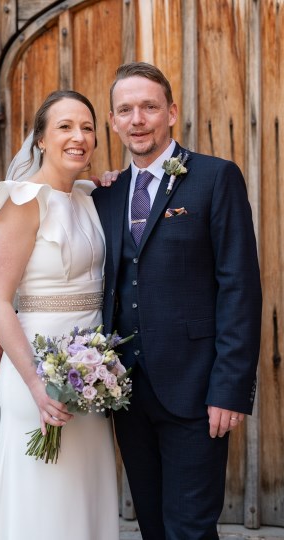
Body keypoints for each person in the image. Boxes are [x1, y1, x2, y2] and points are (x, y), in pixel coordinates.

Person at [0, 91, 119, 540]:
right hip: (33, 371)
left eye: (88, 127)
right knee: (40, 499)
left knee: (84, 493)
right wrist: (36, 383)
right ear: (41, 139)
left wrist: (96, 371)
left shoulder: (92, 197)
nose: (79, 137)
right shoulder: (22, 201)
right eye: (65, 127)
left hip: (90, 375)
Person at [92, 62, 262, 540]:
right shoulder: (105, 194)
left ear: (171, 112)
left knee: (189, 528)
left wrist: (230, 388)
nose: (138, 118)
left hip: (196, 389)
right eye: (126, 110)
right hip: (124, 391)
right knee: (151, 524)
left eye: (148, 106)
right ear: (113, 121)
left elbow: (240, 288)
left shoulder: (214, 178)